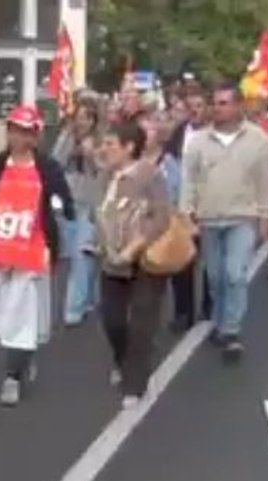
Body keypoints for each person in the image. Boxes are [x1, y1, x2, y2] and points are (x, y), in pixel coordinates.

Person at [0, 105, 74, 406]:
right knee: (2, 314)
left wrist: (61, 209)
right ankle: (24, 356)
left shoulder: (48, 167)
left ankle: (12, 377)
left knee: (23, 314)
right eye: (15, 130)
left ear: (35, 136)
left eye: (27, 132)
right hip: (0, 250)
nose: (20, 137)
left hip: (33, 252)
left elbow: (64, 201)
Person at [181, 84, 268, 361]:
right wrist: (186, 213)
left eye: (224, 103)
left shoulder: (258, 140)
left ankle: (231, 330)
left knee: (235, 274)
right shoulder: (198, 141)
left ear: (238, 106)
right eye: (216, 103)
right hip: (209, 217)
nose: (218, 108)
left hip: (243, 218)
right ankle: (219, 319)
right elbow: (189, 180)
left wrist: (266, 217)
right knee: (215, 277)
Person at [96, 121, 173, 407]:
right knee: (112, 319)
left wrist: (134, 246)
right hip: (111, 260)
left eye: (110, 144)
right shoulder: (105, 176)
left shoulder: (149, 175)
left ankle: (135, 384)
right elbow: (100, 211)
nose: (105, 150)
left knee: (142, 321)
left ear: (129, 147)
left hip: (144, 260)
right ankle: (123, 359)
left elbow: (162, 216)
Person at [51, 92, 106, 326]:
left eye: (86, 118)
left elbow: (105, 172)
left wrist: (92, 154)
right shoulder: (67, 136)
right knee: (78, 255)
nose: (81, 122)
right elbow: (55, 163)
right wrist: (70, 147)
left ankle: (73, 309)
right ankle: (88, 299)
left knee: (82, 257)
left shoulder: (102, 141)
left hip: (92, 204)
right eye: (78, 117)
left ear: (94, 120)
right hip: (69, 203)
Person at [168, 84, 213, 331]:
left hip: (207, 206)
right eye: (190, 107)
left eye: (199, 106)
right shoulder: (177, 134)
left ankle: (209, 306)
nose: (195, 111)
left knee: (208, 261)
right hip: (181, 206)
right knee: (181, 261)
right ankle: (182, 311)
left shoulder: (213, 136)